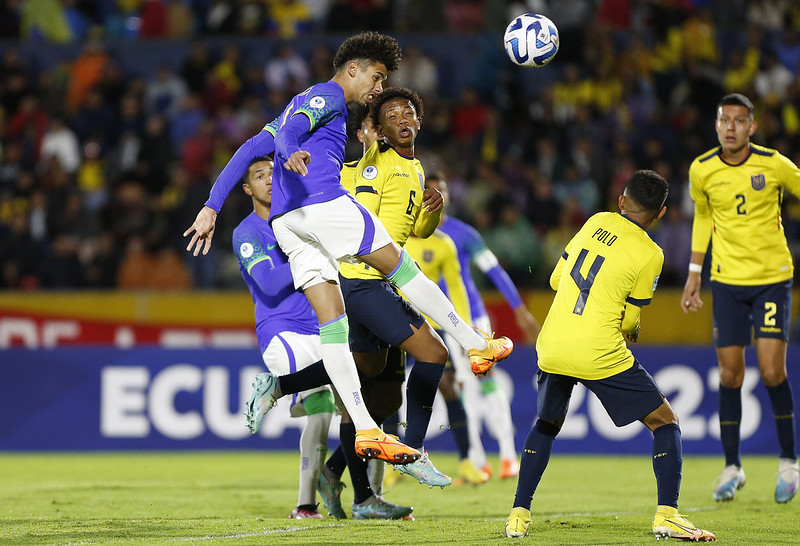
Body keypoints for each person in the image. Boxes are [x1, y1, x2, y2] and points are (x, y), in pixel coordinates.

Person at [184, 31, 513, 465]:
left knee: (333, 328)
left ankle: (365, 429)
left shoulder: (292, 107)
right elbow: (292, 136)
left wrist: (211, 205)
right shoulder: (329, 96)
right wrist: (291, 152)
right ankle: (475, 344)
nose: (377, 89)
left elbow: (249, 148)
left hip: (288, 225)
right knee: (402, 268)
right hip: (323, 204)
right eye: (376, 78)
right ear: (353, 69)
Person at [504, 170, 715, 542]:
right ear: (661, 213)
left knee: (547, 424)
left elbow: (556, 280)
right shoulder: (651, 252)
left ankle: (518, 515)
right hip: (598, 350)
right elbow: (631, 319)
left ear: (621, 201)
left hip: (551, 343)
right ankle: (667, 515)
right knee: (665, 421)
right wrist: (628, 324)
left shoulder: (596, 220)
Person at [681, 92, 799, 504]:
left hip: (771, 279)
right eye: (723, 119)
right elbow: (702, 217)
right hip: (727, 282)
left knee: (771, 372)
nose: (730, 127)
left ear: (752, 127)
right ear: (716, 125)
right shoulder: (702, 170)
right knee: (730, 375)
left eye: (739, 120)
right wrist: (694, 273)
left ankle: (789, 462)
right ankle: (732, 466)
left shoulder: (774, 163)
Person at [233, 157, 334, 519]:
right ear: (248, 189)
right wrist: (314, 253)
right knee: (321, 409)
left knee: (364, 406)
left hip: (324, 327)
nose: (268, 180)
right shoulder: (248, 232)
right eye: (259, 176)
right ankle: (306, 505)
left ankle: (343, 482)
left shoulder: (303, 217)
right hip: (283, 333)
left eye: (272, 173)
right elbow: (270, 284)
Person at [427, 172, 540, 479]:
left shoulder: (464, 234)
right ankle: (477, 460)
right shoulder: (411, 234)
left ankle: (507, 456)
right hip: (440, 323)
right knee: (462, 385)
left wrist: (519, 309)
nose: (439, 194)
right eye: (433, 189)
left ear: (449, 196)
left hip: (473, 318)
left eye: (444, 189)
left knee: (486, 378)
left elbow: (495, 272)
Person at [403, 226, 491, 486]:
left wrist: (464, 333)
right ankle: (390, 467)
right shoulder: (394, 234)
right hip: (397, 320)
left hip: (431, 328)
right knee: (388, 392)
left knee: (450, 388)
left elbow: (456, 287)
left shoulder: (444, 244)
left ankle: (466, 461)